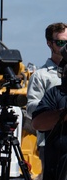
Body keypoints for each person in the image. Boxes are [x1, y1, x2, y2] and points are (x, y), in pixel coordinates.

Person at [26, 23, 67, 167]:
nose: (65, 46)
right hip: (50, 142)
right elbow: (32, 108)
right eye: (61, 42)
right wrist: (57, 111)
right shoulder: (40, 76)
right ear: (50, 44)